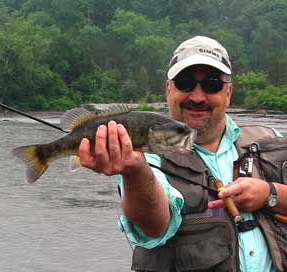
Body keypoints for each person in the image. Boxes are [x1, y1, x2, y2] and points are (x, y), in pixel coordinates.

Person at [78, 36, 287, 272]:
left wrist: (271, 194)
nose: (197, 97)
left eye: (211, 84)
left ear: (228, 93)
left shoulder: (270, 137)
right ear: (168, 89)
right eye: (185, 83)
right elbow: (153, 227)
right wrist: (136, 172)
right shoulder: (142, 155)